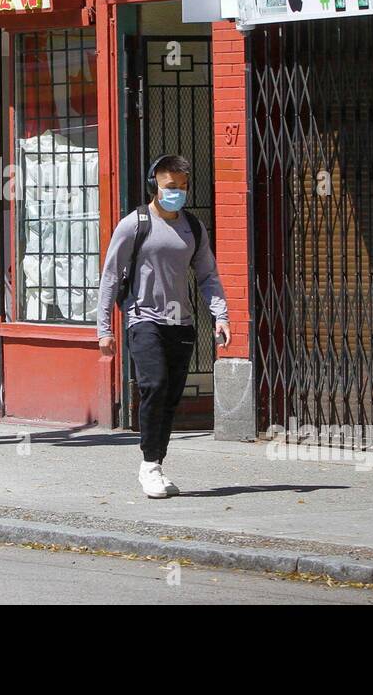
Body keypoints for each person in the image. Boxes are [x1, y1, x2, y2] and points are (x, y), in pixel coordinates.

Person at [97, 154, 229, 499]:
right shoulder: (134, 224)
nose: (178, 193)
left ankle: (156, 463)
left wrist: (221, 315)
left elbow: (207, 275)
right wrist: (104, 329)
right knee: (154, 385)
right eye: (171, 186)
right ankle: (149, 465)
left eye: (183, 187)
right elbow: (111, 276)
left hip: (180, 324)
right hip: (144, 319)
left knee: (170, 397)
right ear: (154, 183)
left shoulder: (193, 227)